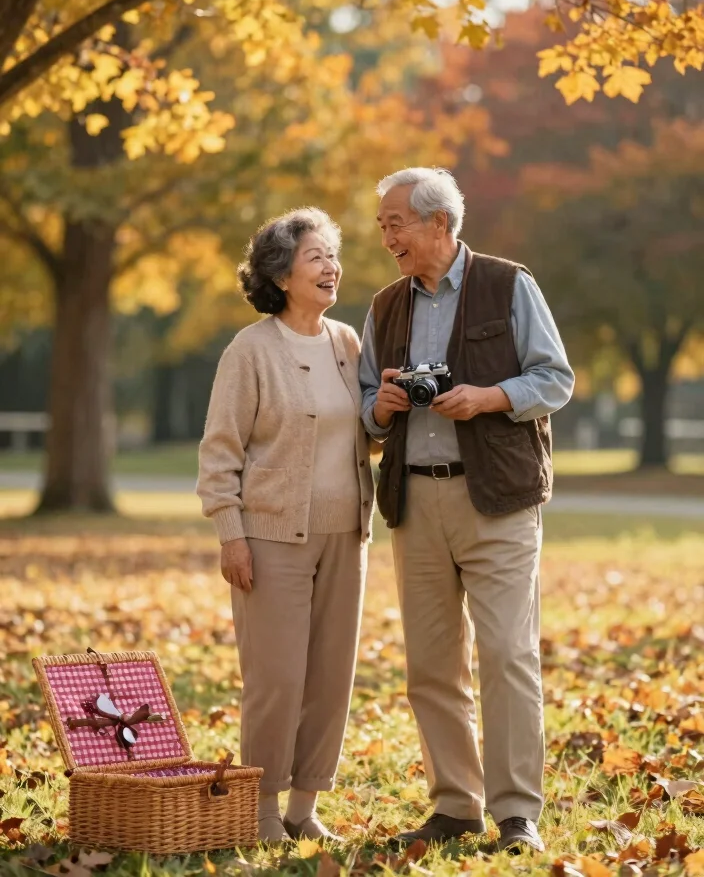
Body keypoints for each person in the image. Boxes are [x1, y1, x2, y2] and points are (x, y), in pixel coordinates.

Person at [360, 167, 574, 853]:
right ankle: (456, 806)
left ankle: (518, 815)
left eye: (397, 221)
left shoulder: (511, 284)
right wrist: (379, 407)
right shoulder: (385, 305)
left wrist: (490, 397)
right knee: (430, 663)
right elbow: (364, 403)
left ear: (439, 226)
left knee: (507, 653)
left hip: (498, 501)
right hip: (415, 499)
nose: (386, 234)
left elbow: (555, 378)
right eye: (382, 223)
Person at [197, 208, 374, 845]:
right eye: (316, 256)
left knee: (330, 676)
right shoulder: (251, 350)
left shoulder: (348, 343)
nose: (332, 267)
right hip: (270, 539)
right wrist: (230, 533)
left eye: (333, 254)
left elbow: (362, 434)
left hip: (346, 535)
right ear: (281, 273)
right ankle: (262, 808)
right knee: (276, 679)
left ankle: (303, 806)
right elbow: (220, 451)